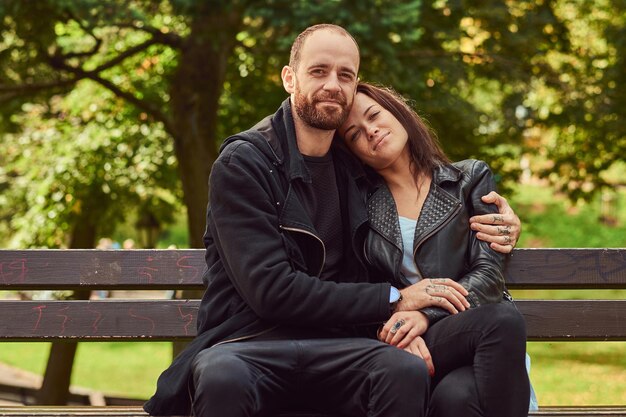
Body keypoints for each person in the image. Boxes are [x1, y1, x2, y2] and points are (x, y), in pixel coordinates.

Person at [144, 24, 521, 417]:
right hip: (249, 341)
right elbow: (271, 291)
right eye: (318, 71)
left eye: (346, 75)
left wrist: (505, 220)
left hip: (341, 342)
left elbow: (426, 188)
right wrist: (393, 301)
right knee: (223, 376)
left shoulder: (355, 169)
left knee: (402, 369)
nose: (333, 85)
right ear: (289, 78)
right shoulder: (245, 163)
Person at [338, 82, 531, 417]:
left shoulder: (468, 179)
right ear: (353, 152)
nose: (370, 131)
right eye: (355, 134)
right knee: (503, 321)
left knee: (456, 397)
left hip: (476, 334)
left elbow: (488, 277)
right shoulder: (357, 207)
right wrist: (398, 320)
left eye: (374, 115)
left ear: (397, 111)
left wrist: (424, 315)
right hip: (406, 344)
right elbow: (356, 284)